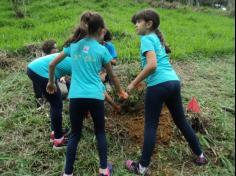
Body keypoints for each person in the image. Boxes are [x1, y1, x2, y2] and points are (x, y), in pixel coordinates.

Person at [125, 9, 208, 175]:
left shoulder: (147, 38)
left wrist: (133, 84)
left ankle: (141, 167)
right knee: (181, 121)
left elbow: (152, 65)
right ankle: (200, 155)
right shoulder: (156, 38)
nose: (135, 25)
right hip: (173, 81)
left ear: (149, 24)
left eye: (138, 22)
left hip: (158, 85)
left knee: (150, 125)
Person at [46, 12, 128, 176]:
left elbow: (51, 64)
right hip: (96, 96)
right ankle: (104, 170)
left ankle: (68, 173)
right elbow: (112, 75)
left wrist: (50, 82)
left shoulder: (73, 46)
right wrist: (121, 92)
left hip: (76, 97)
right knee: (100, 133)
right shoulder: (102, 50)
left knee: (75, 134)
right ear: (101, 30)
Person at [27, 53, 71, 149]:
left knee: (54, 103)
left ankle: (55, 133)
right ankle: (58, 141)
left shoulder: (71, 54)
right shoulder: (81, 64)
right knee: (57, 104)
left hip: (33, 68)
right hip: (42, 72)